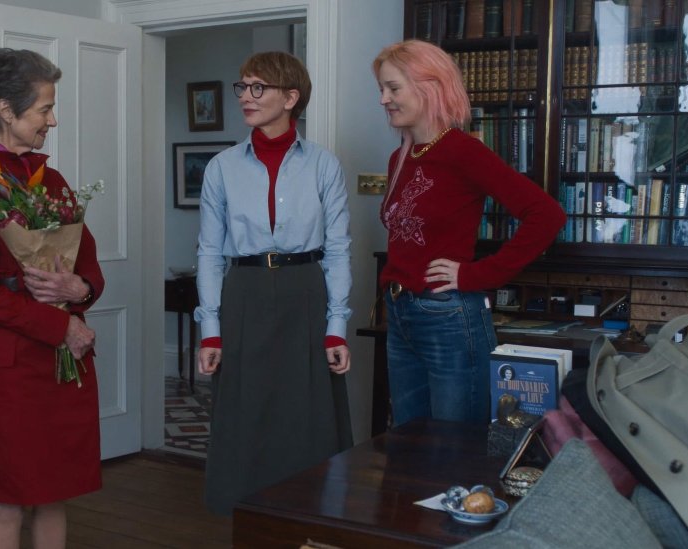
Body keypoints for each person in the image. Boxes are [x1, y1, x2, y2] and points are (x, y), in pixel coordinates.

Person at [0, 48, 104, 549]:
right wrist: (62, 327)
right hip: (11, 368)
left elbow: (89, 265)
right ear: (6, 110)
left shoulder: (50, 180)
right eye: (44, 109)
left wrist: (83, 290)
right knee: (7, 503)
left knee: (55, 495)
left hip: (63, 363)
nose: (52, 120)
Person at [372, 40, 566, 427]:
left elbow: (546, 215)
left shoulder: (463, 151)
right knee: (409, 445)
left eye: (393, 88)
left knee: (454, 449)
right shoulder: (402, 156)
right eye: (382, 89)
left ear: (429, 86)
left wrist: (476, 275)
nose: (383, 99)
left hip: (448, 316)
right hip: (400, 312)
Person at [195, 51, 353, 515]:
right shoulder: (221, 167)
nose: (246, 96)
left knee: (306, 415)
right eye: (242, 87)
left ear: (291, 97)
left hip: (306, 290)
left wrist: (336, 326)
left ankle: (309, 516)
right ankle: (246, 520)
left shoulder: (324, 165)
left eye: (257, 87)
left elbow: (339, 249)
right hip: (243, 292)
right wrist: (210, 328)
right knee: (245, 413)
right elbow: (208, 251)